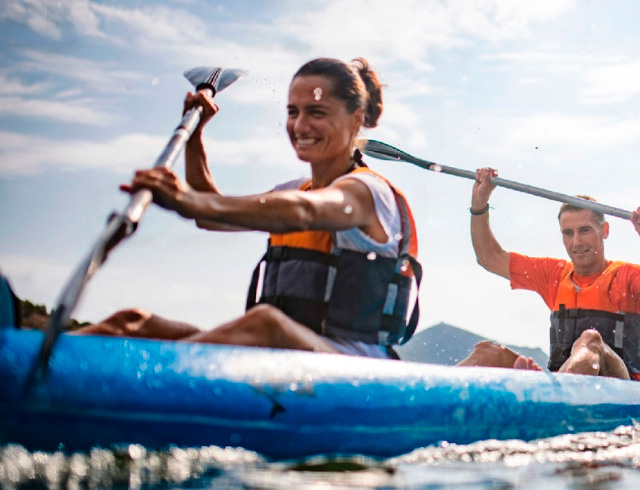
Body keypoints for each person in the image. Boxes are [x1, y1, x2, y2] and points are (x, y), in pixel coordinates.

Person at [75, 58, 421, 360]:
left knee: (265, 323)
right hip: (284, 355)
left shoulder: (368, 192)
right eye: (293, 112)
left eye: (316, 112)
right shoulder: (293, 189)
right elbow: (210, 215)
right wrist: (195, 139)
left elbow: (303, 211)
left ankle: (144, 384)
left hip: (353, 367)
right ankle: (31, 366)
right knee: (133, 322)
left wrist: (185, 199)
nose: (300, 126)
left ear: (355, 118)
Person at [457, 168, 640, 381]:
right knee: (487, 351)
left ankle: (550, 394)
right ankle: (426, 401)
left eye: (585, 230)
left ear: (604, 231)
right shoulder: (553, 275)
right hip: (564, 382)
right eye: (568, 233)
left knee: (590, 340)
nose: (576, 242)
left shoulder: (628, 276)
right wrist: (479, 203)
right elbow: (489, 258)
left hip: (620, 387)